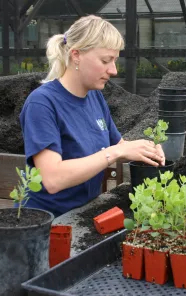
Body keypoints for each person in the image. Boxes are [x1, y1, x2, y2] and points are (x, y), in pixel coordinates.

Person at [19, 15, 165, 217]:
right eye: (106, 60)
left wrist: (148, 151)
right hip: (46, 223)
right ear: (76, 55)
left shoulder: (95, 97)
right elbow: (52, 179)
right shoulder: (42, 103)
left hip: (83, 215)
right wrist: (113, 153)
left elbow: (121, 146)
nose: (113, 70)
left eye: (115, 60)